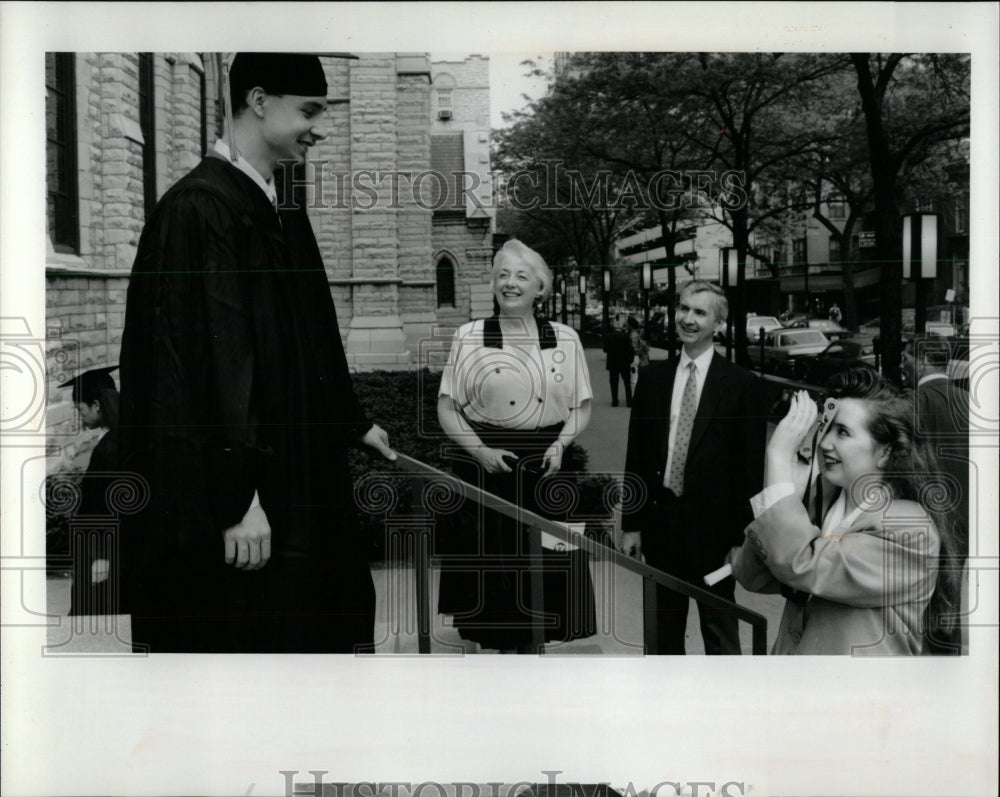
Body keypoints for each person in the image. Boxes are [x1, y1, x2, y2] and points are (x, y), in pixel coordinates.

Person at [119, 53, 395, 653]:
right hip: (247, 505)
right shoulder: (201, 209)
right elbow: (197, 368)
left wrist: (351, 420)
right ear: (260, 100)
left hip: (290, 481)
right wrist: (235, 499)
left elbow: (309, 334)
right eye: (310, 110)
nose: (320, 126)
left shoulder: (277, 205)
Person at [436, 239, 596, 653]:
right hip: (490, 469)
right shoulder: (469, 336)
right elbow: (448, 409)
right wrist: (479, 452)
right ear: (492, 283)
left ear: (540, 288)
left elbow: (581, 407)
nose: (511, 284)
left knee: (546, 584)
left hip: (547, 467)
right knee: (496, 595)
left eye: (522, 276)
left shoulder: (564, 338)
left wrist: (562, 444)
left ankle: (535, 664)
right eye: (503, 275)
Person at [730, 370, 962, 655]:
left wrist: (778, 458)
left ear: (885, 452)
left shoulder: (909, 529)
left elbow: (799, 562)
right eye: (826, 428)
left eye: (843, 432)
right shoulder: (819, 502)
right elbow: (750, 575)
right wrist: (792, 490)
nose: (825, 442)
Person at [621, 280, 766, 654]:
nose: (687, 318)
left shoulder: (741, 385)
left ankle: (721, 710)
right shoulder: (652, 380)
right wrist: (632, 524)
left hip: (715, 538)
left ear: (718, 324)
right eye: (683, 308)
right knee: (662, 637)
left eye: (700, 312)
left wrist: (740, 541)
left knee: (720, 638)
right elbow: (636, 456)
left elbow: (750, 471)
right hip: (660, 527)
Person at [902, 336, 969, 652]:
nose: (903, 366)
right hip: (965, 515)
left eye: (906, 359)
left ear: (920, 360)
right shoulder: (969, 400)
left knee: (922, 598)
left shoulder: (915, 403)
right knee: (949, 595)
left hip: (925, 515)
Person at [59, 366, 121, 617]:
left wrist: (101, 556)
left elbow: (108, 508)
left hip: (100, 557)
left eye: (80, 409)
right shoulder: (121, 438)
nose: (79, 416)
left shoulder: (111, 448)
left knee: (91, 621)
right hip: (107, 554)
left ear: (96, 405)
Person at [603, 320, 635, 407]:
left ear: (614, 327)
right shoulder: (626, 336)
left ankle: (615, 401)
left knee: (613, 382)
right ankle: (629, 402)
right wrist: (631, 360)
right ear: (621, 328)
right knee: (627, 383)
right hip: (624, 363)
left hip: (613, 363)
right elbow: (631, 350)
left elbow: (605, 349)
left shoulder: (608, 336)